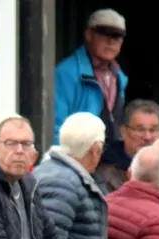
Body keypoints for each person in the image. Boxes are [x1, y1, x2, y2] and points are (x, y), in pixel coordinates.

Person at [54, 8, 127, 143]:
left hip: (107, 158)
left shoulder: (119, 77)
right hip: (77, 157)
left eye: (116, 37)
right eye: (105, 34)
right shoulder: (66, 73)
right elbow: (55, 127)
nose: (111, 42)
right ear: (88, 35)